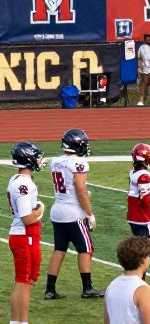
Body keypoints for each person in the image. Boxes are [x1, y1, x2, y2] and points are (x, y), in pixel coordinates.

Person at [45, 128, 101, 300]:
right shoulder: (79, 162)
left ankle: (50, 289)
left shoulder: (56, 161)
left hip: (57, 210)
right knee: (86, 249)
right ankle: (87, 288)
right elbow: (80, 188)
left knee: (59, 249)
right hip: (72, 211)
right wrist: (89, 213)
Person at [6, 142, 46, 324]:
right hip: (24, 236)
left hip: (25, 236)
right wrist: (40, 210)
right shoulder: (23, 184)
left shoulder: (19, 180)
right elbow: (27, 218)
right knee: (23, 282)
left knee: (24, 282)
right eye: (37, 156)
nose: (39, 160)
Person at [126, 143, 150, 298]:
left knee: (141, 251)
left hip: (133, 217)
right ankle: (141, 287)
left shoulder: (134, 172)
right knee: (147, 252)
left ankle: (136, 283)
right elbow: (144, 199)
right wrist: (148, 210)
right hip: (142, 218)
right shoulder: (144, 176)